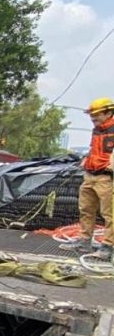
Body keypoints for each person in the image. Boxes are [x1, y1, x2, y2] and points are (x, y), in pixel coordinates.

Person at [60, 97, 114, 258]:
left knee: (109, 213)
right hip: (90, 175)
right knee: (86, 209)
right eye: (91, 115)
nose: (93, 118)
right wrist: (87, 159)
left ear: (109, 112)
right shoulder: (97, 130)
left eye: (96, 115)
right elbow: (95, 149)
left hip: (107, 178)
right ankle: (84, 241)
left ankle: (108, 246)